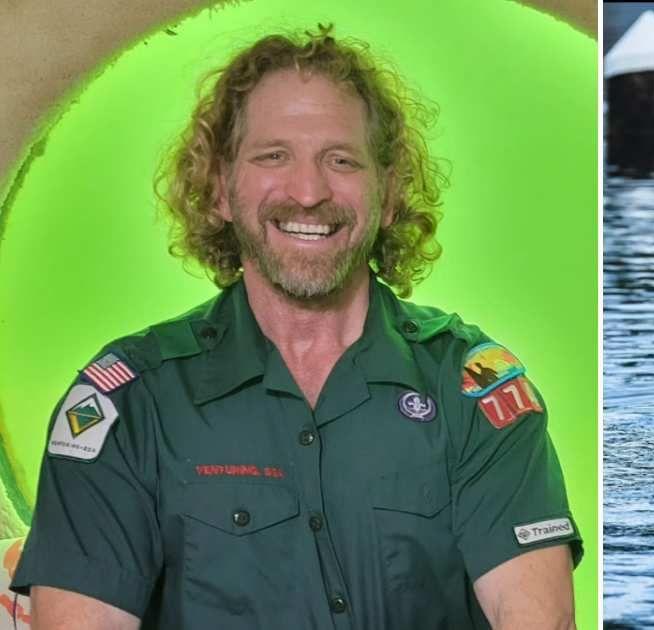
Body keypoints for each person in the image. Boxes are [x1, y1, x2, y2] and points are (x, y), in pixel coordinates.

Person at [11, 26, 581, 629]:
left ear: (389, 193)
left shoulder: (473, 389)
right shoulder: (126, 404)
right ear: (218, 191)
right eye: (272, 156)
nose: (308, 192)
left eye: (341, 160)